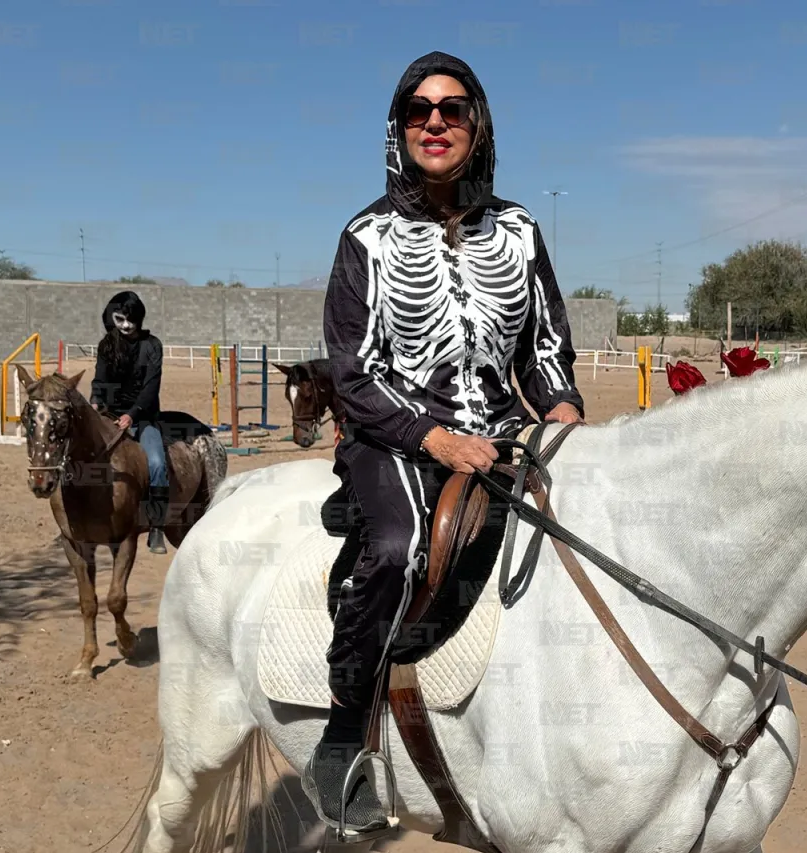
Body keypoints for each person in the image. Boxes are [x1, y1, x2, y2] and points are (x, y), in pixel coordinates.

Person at [303, 51, 586, 834]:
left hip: (501, 433)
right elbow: (353, 374)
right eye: (418, 110)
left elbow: (544, 346)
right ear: (397, 129)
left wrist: (561, 408)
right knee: (395, 547)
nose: (435, 121)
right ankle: (340, 735)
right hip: (391, 436)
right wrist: (435, 437)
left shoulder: (522, 232)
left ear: (478, 124)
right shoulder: (365, 237)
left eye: (453, 108)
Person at [89, 291, 169, 553]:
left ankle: (156, 526)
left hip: (143, 417)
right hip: (110, 415)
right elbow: (100, 379)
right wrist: (95, 399)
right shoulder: (107, 344)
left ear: (139, 318)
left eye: (130, 319)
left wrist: (132, 414)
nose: (125, 325)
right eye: (120, 319)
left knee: (157, 463)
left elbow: (151, 386)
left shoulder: (152, 345)